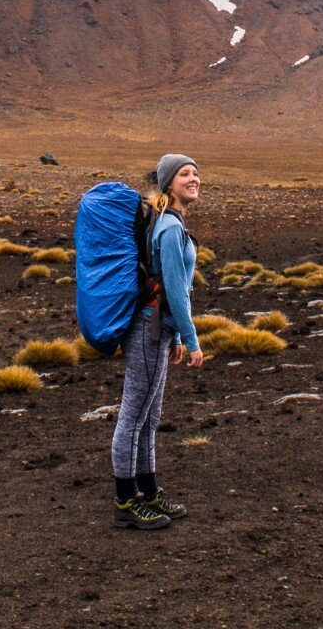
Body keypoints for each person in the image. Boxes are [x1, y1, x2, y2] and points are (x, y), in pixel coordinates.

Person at [110, 152, 205, 529]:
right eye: (185, 174)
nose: (194, 179)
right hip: (149, 331)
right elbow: (177, 291)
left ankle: (148, 491)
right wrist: (192, 339)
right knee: (134, 416)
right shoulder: (169, 228)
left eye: (196, 173)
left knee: (149, 417)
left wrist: (176, 336)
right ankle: (124, 500)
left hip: (157, 330)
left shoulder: (169, 223)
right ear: (169, 183)